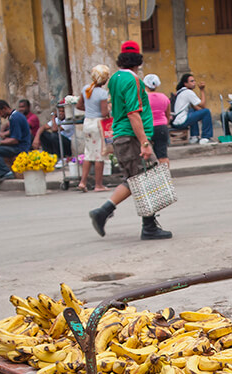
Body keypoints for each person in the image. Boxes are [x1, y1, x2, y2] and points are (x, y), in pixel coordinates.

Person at [88, 40, 172, 241]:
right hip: (131, 136)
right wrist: (144, 142)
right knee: (145, 178)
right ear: (138, 61)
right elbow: (133, 113)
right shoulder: (133, 80)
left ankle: (113, 214)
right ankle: (113, 214)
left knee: (138, 179)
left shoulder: (115, 78)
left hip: (122, 135)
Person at [77, 64, 111, 192]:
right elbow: (103, 113)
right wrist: (109, 108)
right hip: (98, 124)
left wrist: (90, 110)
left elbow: (79, 105)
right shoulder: (102, 93)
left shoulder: (86, 89)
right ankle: (98, 184)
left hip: (87, 122)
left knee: (88, 154)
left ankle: (83, 182)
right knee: (99, 155)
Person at [0, 99, 32, 180]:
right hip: (18, 145)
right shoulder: (14, 116)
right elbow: (14, 132)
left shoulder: (15, 118)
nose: (0, 116)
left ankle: (5, 172)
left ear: (5, 108)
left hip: (20, 147)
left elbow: (15, 140)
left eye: (0, 113)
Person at [171, 74, 214, 145]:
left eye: (194, 81)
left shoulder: (181, 91)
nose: (194, 83)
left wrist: (200, 116)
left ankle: (194, 137)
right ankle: (205, 137)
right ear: (186, 84)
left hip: (176, 121)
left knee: (192, 110)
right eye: (192, 81)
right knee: (206, 111)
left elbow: (197, 108)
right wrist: (202, 90)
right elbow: (203, 105)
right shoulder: (188, 92)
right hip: (181, 122)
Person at [143, 73, 170, 167]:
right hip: (162, 127)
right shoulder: (164, 97)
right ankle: (166, 179)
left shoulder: (143, 98)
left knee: (147, 154)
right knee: (163, 155)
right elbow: (168, 114)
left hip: (147, 127)